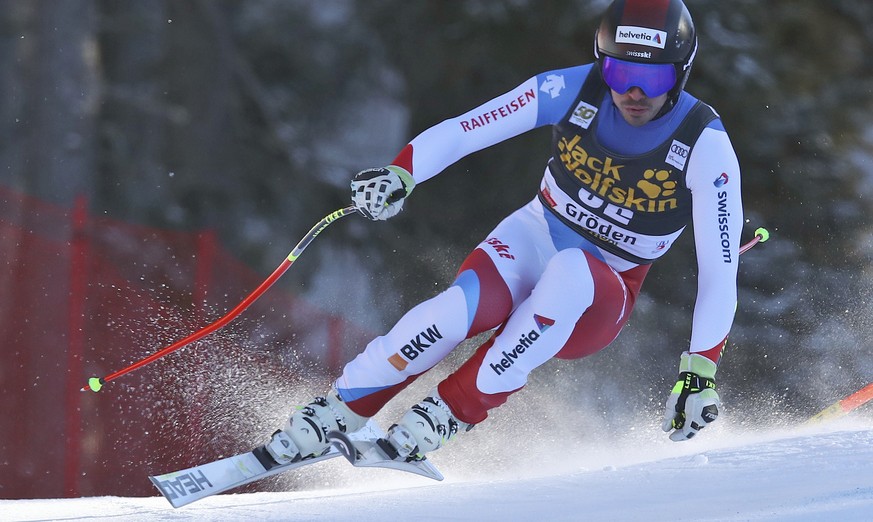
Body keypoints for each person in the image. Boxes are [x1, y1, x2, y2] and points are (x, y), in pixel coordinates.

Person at [266, 0, 743, 466]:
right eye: (619, 74)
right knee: (453, 313)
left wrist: (699, 373)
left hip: (602, 291)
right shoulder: (572, 89)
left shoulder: (705, 145)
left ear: (680, 74)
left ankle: (445, 414)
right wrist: (401, 174)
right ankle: (339, 409)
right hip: (535, 234)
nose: (633, 93)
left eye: (652, 78)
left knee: (572, 272)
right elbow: (468, 128)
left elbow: (720, 272)